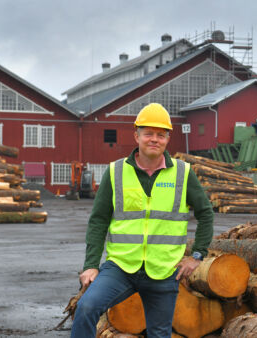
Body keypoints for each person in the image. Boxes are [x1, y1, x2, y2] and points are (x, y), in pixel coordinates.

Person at [71, 103, 214, 337]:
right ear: (136, 135)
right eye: (148, 133)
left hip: (164, 271)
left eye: (161, 134)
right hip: (121, 267)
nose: (154, 139)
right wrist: (90, 265)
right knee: (86, 307)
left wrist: (197, 255)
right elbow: (98, 220)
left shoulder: (183, 173)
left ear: (168, 138)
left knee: (159, 333)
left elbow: (206, 213)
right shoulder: (115, 172)